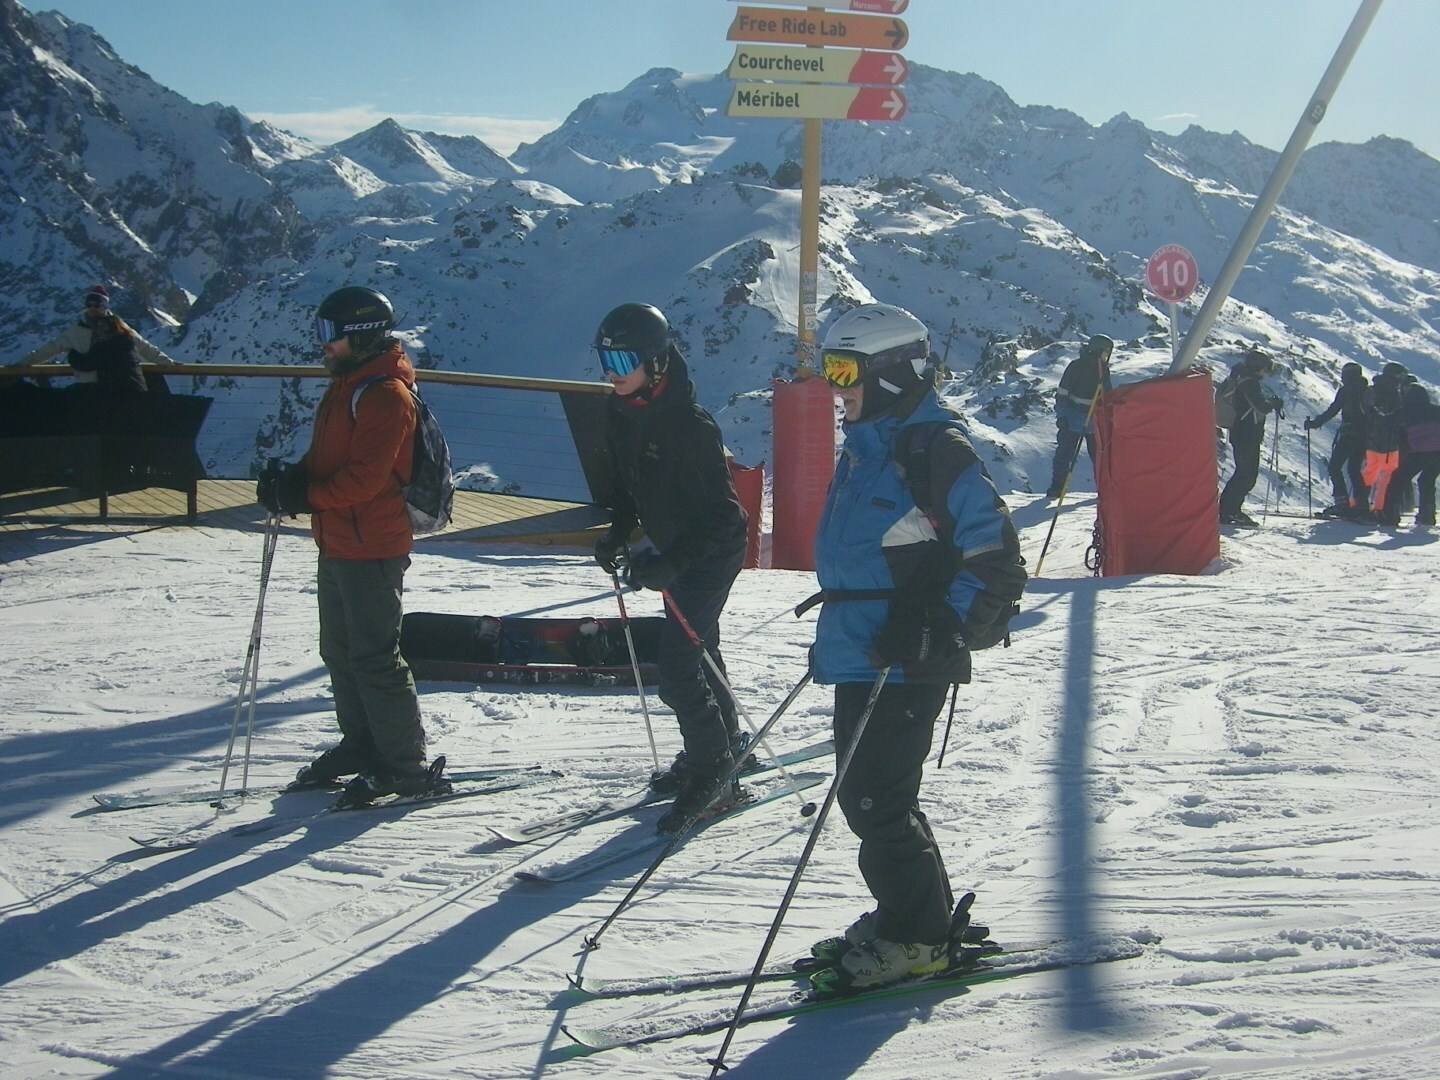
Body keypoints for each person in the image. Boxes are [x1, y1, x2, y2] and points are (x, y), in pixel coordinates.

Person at [809, 303, 1026, 991]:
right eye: (828, 370)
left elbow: (995, 557)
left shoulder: (933, 449)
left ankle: (919, 938)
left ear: (892, 373)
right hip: (862, 649)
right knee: (871, 796)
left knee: (875, 800)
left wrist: (941, 630)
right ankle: (914, 915)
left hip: (907, 660)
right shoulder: (869, 445)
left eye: (845, 371)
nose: (834, 386)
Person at [256, 286, 447, 807]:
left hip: (372, 545)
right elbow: (329, 459)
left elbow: (365, 480)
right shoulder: (348, 385)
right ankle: (363, 745)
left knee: (374, 657)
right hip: (339, 539)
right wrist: (292, 480)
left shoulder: (384, 395)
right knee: (339, 652)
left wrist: (304, 497)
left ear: (360, 336)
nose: (323, 344)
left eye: (330, 334)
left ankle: (404, 766)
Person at [589, 303, 750, 834]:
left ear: (656, 361)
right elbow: (627, 486)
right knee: (698, 649)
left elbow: (727, 516)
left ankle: (713, 772)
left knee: (678, 667)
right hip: (673, 549)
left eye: (623, 360)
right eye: (605, 359)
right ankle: (724, 746)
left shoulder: (689, 425)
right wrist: (618, 531)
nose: (612, 372)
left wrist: (672, 561)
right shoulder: (621, 411)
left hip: (711, 551)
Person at [15, 285, 181, 381]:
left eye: (97, 304)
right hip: (88, 387)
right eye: (89, 304)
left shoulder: (119, 327)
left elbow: (143, 347)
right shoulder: (76, 331)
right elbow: (49, 349)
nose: (93, 308)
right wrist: (22, 363)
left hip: (113, 387)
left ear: (104, 306)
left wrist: (167, 362)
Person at [1219, 348, 1284, 526]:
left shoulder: (1241, 379)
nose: (1266, 372)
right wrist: (1273, 403)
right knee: (1247, 475)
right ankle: (1230, 511)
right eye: (1265, 368)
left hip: (1241, 432)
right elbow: (1260, 406)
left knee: (1243, 472)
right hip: (1246, 434)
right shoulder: (1249, 383)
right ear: (1257, 367)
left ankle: (1227, 510)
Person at [1046, 334, 1114, 498]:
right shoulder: (1076, 367)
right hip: (1072, 419)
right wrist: (1062, 416)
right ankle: (1058, 487)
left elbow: (1107, 394)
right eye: (1106, 353)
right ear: (1098, 351)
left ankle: (1104, 488)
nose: (1107, 357)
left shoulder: (1103, 370)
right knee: (1064, 454)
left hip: (1094, 421)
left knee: (1099, 457)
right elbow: (1063, 393)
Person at [1305, 362, 1372, 517]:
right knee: (1354, 469)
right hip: (1364, 436)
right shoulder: (1367, 390)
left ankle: (1342, 504)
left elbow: (1333, 409)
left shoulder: (1347, 390)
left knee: (1334, 467)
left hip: (1349, 433)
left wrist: (1315, 423)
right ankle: (1361, 505)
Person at [1380, 382, 1440, 528]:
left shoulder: (1407, 410)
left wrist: (1373, 410)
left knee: (1398, 479)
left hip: (1421, 452)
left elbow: (1386, 421)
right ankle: (1427, 515)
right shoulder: (1435, 409)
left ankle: (1390, 514)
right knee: (1426, 480)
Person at [1364, 362, 1411, 522]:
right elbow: (1399, 419)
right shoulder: (1395, 395)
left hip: (1371, 440)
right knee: (1387, 475)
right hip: (1390, 442)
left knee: (1369, 472)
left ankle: (1359, 504)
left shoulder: (1373, 390)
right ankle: (1380, 507)